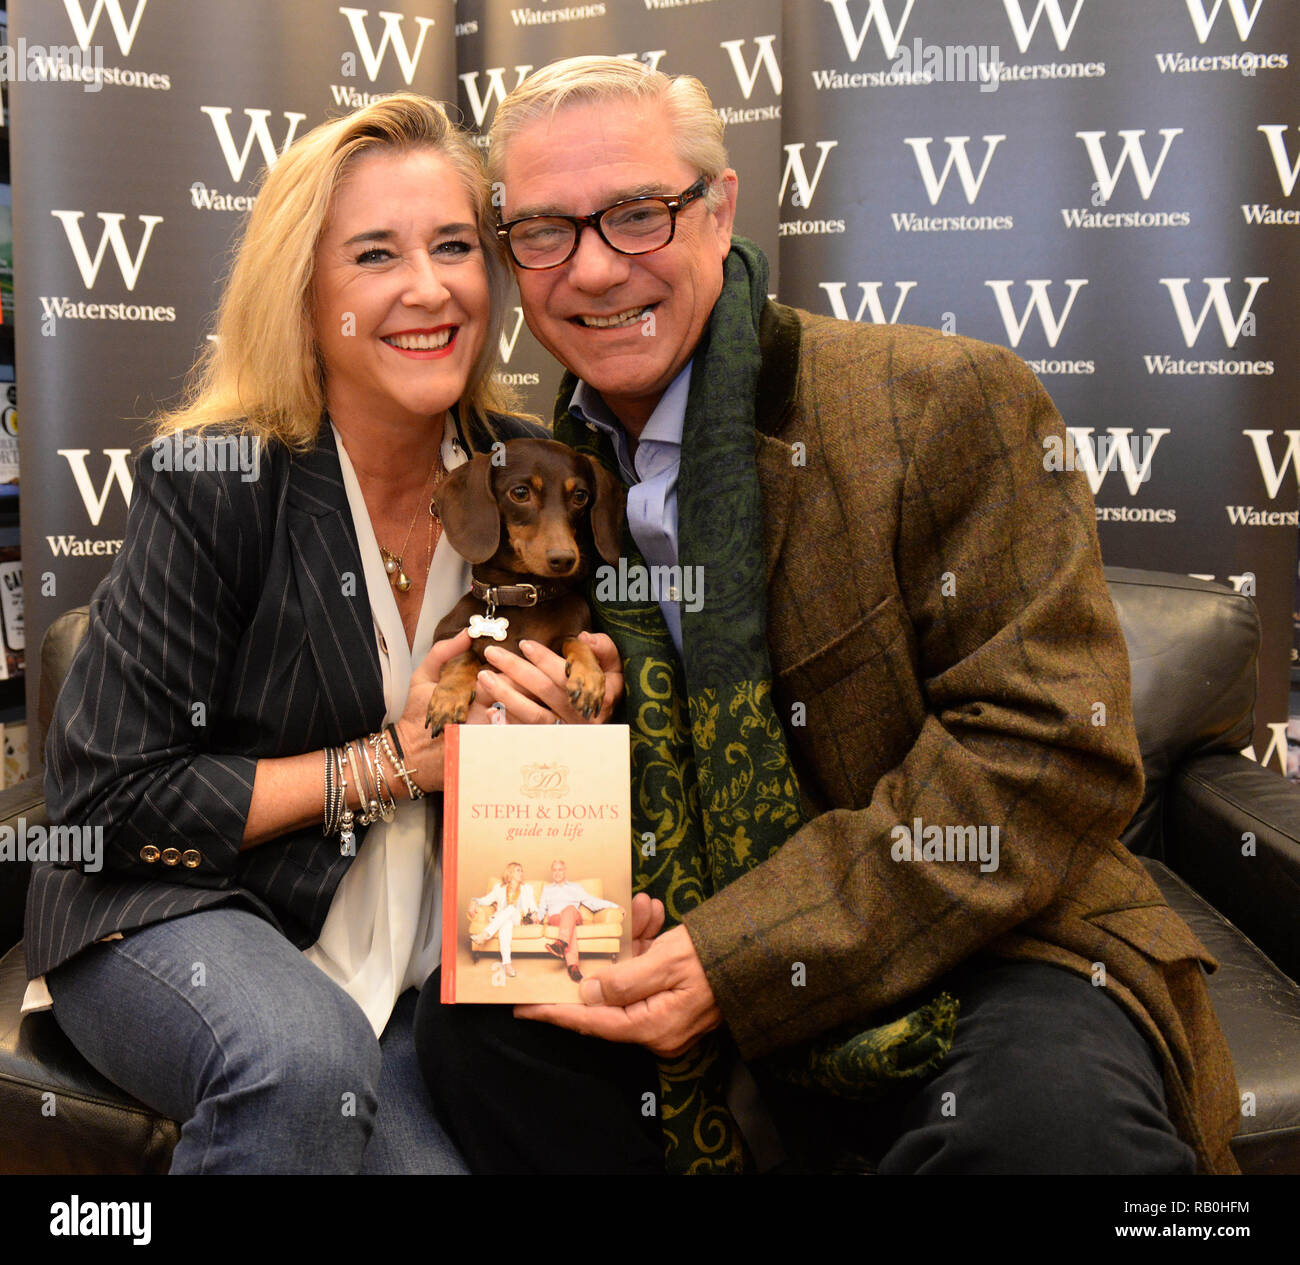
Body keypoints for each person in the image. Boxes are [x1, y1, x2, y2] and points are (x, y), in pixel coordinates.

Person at [414, 57, 1240, 1176]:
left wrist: (740, 953)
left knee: (1045, 1137)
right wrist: (546, 756)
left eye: (636, 214)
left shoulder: (939, 403)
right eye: (547, 231)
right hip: (667, 916)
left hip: (992, 936)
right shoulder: (549, 475)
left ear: (718, 210)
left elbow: (1047, 753)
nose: (595, 268)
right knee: (475, 1041)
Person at [26, 93, 620, 1174]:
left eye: (454, 246)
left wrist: (584, 706)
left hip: (420, 963)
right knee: (303, 1060)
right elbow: (106, 799)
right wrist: (391, 762)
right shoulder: (219, 480)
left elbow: (566, 814)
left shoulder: (535, 474)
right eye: (375, 255)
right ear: (306, 298)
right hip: (183, 908)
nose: (428, 287)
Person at [534, 859, 621, 981]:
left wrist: (615, 906)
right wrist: (538, 917)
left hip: (573, 915)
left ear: (565, 871)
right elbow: (542, 908)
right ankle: (572, 966)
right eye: (554, 870)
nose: (557, 873)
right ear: (551, 872)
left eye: (560, 869)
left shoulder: (575, 887)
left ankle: (560, 944)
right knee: (570, 928)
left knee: (569, 909)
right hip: (556, 918)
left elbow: (592, 902)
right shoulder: (547, 889)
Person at [469, 861, 538, 977]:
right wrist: (474, 901)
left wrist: (534, 914)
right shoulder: (499, 888)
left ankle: (484, 935)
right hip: (502, 919)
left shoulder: (527, 888)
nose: (522, 873)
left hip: (519, 918)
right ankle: (507, 964)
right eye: (518, 870)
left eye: (522, 870)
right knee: (506, 924)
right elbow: (486, 900)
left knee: (511, 909)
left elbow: (532, 905)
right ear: (510, 873)